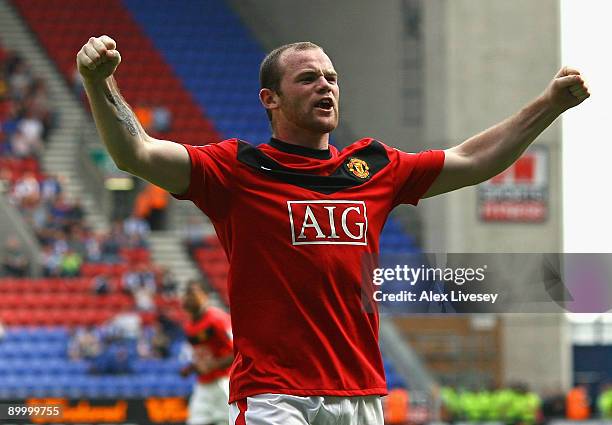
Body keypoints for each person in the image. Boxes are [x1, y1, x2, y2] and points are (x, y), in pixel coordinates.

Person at [76, 35, 590, 425]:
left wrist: (548, 105)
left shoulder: (375, 167)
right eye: (307, 78)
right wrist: (100, 82)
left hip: (362, 393)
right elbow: (136, 152)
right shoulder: (235, 169)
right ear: (269, 99)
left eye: (331, 77)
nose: (325, 85)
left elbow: (469, 160)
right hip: (277, 395)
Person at [180, 279, 233, 425]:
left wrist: (213, 365)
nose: (188, 297)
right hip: (203, 385)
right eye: (186, 293)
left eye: (192, 292)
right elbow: (203, 354)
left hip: (224, 382)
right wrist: (191, 368)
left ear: (205, 296)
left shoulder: (218, 319)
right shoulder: (189, 326)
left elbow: (239, 352)